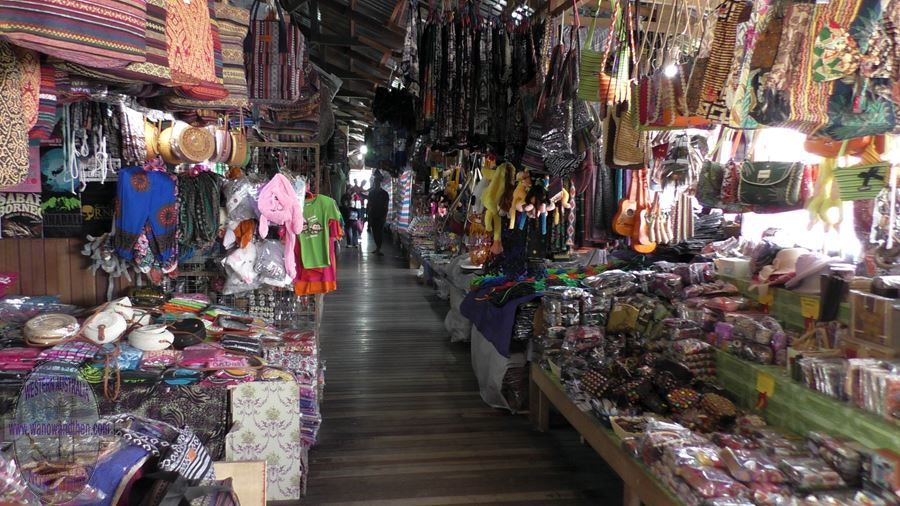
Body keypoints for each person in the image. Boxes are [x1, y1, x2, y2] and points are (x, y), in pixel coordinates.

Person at [366, 172, 390, 256]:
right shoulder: (371, 193)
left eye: (377, 182)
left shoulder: (384, 194)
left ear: (379, 183)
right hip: (373, 214)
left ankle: (378, 248)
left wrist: (385, 216)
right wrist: (368, 215)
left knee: (379, 232)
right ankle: (377, 247)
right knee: (375, 232)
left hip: (381, 215)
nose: (376, 184)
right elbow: (369, 204)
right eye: (375, 182)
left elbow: (386, 206)